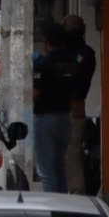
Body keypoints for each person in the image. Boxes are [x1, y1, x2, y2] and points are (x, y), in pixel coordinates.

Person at [33, 22, 77, 193]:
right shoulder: (70, 63)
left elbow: (35, 94)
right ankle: (64, 206)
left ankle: (53, 208)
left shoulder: (42, 64)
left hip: (46, 120)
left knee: (47, 171)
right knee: (60, 168)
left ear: (47, 42)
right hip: (65, 118)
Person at [63, 14, 96, 194]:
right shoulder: (67, 52)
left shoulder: (85, 53)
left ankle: (77, 191)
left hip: (75, 106)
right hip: (61, 108)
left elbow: (73, 73)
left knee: (71, 153)